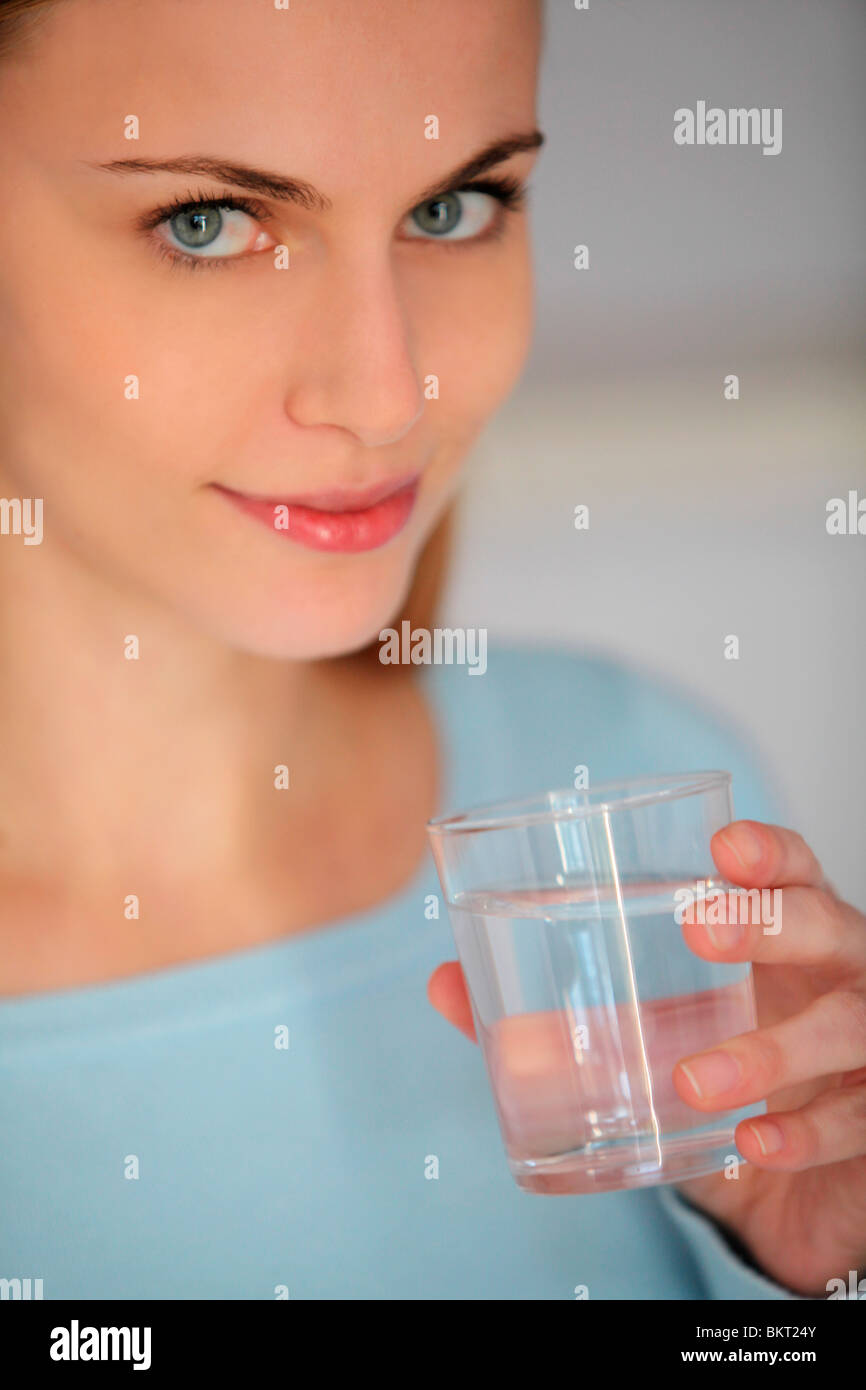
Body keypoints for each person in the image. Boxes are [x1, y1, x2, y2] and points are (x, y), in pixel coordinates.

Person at [0, 0, 863, 1302]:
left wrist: (807, 1285)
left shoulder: (633, 797)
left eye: (454, 206)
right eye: (208, 222)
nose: (387, 390)